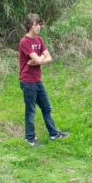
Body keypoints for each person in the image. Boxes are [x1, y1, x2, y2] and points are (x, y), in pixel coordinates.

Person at [18, 13, 68, 146]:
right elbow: (38, 58)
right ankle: (30, 138)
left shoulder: (39, 40)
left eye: (40, 24)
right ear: (29, 25)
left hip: (37, 81)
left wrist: (39, 61)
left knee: (47, 107)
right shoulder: (24, 41)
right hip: (28, 82)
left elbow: (48, 58)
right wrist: (39, 59)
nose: (39, 27)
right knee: (31, 111)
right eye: (36, 24)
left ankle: (53, 134)